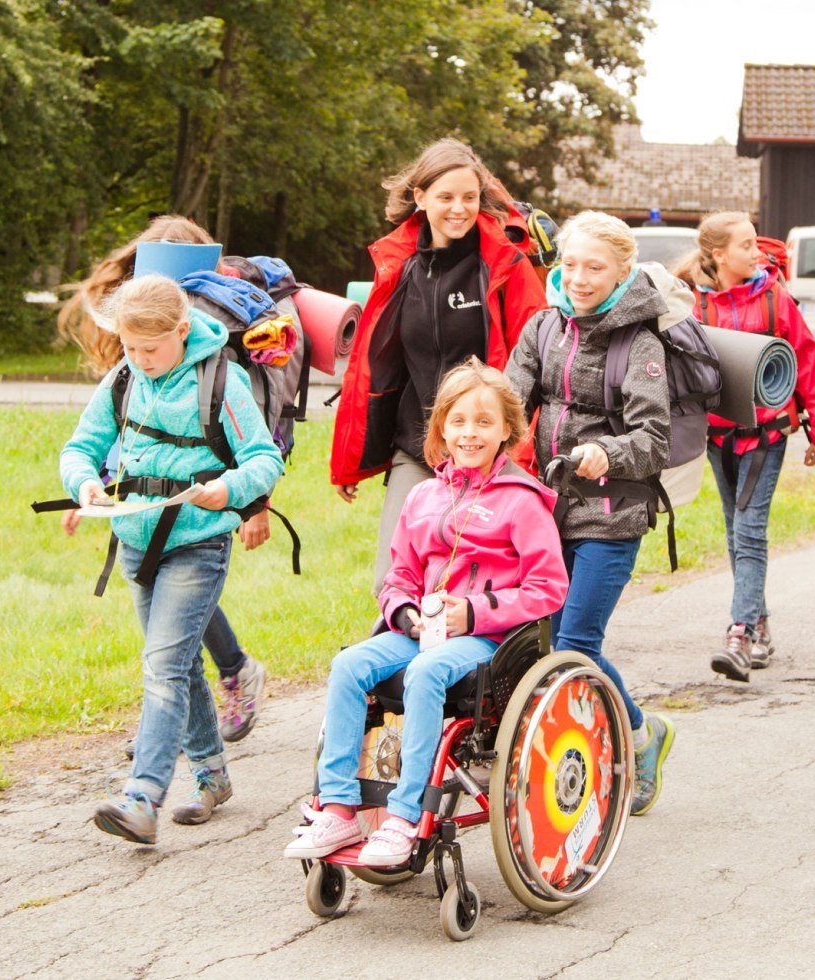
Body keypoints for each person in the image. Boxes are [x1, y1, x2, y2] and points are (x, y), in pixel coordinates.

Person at [286, 360, 566, 865]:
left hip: (488, 639)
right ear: (441, 429)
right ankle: (338, 808)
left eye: (484, 422)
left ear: (508, 430)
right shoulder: (423, 497)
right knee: (349, 665)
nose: (470, 433)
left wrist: (475, 613)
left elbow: (548, 589)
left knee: (424, 671)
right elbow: (398, 578)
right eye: (458, 421)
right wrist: (406, 613)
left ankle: (404, 815)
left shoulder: (524, 503)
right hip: (421, 630)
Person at [58, 273, 284, 841]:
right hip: (135, 542)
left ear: (182, 331)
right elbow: (80, 447)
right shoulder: (125, 377)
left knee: (161, 668)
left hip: (197, 544)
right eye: (129, 348)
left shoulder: (222, 380)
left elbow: (263, 458)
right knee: (178, 666)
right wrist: (84, 483)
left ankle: (142, 797)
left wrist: (228, 490)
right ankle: (211, 777)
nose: (139, 359)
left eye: (150, 348)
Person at [505, 210, 676, 815]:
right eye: (570, 264)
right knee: (543, 639)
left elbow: (654, 438)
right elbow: (509, 400)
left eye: (594, 268)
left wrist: (605, 451)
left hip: (611, 515)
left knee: (575, 644)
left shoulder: (641, 343)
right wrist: (472, 433)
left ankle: (639, 733)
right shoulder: (543, 328)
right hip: (546, 511)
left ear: (622, 272)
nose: (578, 277)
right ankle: (571, 746)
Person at [330, 138, 544, 592]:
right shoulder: (399, 264)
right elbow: (374, 365)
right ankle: (400, 663)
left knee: (474, 583)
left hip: (489, 449)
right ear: (421, 197)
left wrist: (524, 453)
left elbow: (538, 360)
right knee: (392, 582)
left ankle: (462, 664)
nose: (459, 209)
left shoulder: (504, 266)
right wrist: (352, 461)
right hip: (419, 445)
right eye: (445, 197)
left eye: (469, 197)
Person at [673, 211, 815, 680]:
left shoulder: (775, 300)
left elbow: (807, 362)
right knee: (733, 529)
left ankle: (741, 632)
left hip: (766, 436)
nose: (757, 253)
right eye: (746, 246)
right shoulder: (693, 305)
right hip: (718, 438)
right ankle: (760, 624)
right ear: (718, 255)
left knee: (749, 530)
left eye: (756, 244)